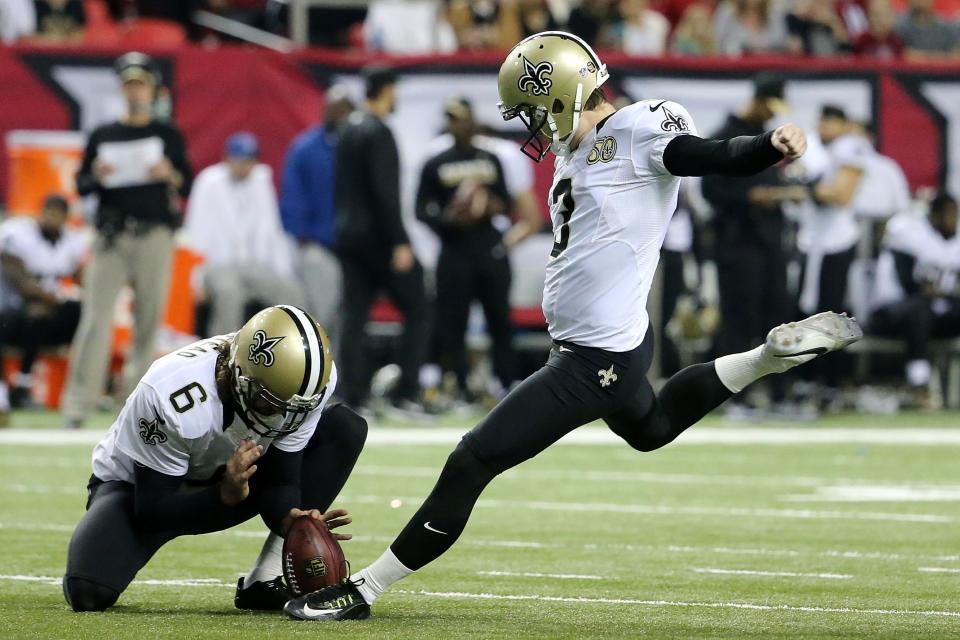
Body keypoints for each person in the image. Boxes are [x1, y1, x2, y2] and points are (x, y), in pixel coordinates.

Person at [284, 31, 862, 621]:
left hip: (594, 359)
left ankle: (364, 591)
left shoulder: (639, 128)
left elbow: (706, 155)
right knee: (652, 427)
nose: (532, 127)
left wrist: (768, 146)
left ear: (564, 94)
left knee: (472, 460)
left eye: (535, 111)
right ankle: (767, 357)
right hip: (612, 343)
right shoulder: (580, 147)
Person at [63, 305, 367, 612]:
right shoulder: (171, 393)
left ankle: (265, 580)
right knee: (89, 592)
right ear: (240, 376)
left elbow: (281, 480)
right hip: (142, 489)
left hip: (231, 479)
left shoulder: (308, 386)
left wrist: (292, 520)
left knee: (345, 429)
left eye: (293, 408)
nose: (282, 416)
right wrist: (225, 494)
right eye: (270, 402)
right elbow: (152, 509)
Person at [62, 52, 192, 430]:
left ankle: (132, 406)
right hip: (112, 233)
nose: (135, 91)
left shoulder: (168, 134)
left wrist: (170, 173)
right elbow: (81, 183)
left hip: (153, 232)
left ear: (153, 89)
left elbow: (188, 179)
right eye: (129, 84)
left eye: (141, 84)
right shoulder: (104, 134)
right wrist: (96, 175)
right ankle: (77, 405)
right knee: (95, 320)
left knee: (148, 321)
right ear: (122, 88)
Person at [701, 74, 804, 409]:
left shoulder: (768, 140)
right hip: (737, 242)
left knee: (777, 315)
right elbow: (710, 190)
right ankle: (733, 396)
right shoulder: (724, 137)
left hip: (769, 241)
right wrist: (750, 197)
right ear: (758, 100)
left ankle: (778, 393)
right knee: (738, 319)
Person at [334, 66, 430, 412]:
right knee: (419, 307)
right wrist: (400, 241)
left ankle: (352, 393)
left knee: (354, 317)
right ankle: (406, 391)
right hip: (378, 240)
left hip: (348, 239)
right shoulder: (380, 132)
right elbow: (384, 194)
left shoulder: (347, 129)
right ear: (386, 90)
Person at [416, 97, 517, 401]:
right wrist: (447, 221)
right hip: (454, 251)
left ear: (471, 121)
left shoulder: (491, 158)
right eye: (450, 119)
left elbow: (507, 203)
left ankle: (506, 383)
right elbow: (420, 209)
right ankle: (460, 386)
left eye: (459, 118)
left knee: (499, 318)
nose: (455, 124)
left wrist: (489, 207)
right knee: (452, 322)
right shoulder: (437, 162)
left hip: (488, 249)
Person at [184, 132, 303, 336]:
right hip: (218, 265)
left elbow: (271, 232)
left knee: (291, 292)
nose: (244, 166)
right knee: (230, 295)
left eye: (249, 160)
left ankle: (289, 354)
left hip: (252, 265)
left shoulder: (260, 182)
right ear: (227, 159)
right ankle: (220, 359)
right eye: (239, 160)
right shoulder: (209, 183)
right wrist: (195, 278)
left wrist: (283, 271)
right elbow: (196, 230)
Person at [280, 86, 354, 350]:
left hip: (354, 248)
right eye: (333, 110)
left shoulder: (359, 147)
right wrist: (303, 237)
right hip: (318, 245)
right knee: (320, 316)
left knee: (349, 318)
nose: (337, 116)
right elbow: (292, 195)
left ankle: (341, 381)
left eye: (343, 111)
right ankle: (315, 380)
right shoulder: (306, 148)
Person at [870, 193, 960, 405]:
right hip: (891, 312)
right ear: (934, 215)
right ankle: (919, 385)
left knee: (927, 310)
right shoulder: (908, 232)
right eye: (949, 214)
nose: (954, 220)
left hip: (936, 314)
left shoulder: (953, 240)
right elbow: (911, 287)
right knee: (919, 309)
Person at [0, 194, 87, 414]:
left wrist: (70, 295)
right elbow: (22, 283)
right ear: (41, 212)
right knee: (35, 314)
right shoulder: (17, 234)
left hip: (47, 314)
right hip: (10, 310)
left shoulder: (72, 240)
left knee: (82, 312)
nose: (53, 219)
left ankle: (87, 386)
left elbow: (82, 278)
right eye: (49, 213)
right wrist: (53, 298)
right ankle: (17, 388)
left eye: (59, 215)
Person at [894, 0, 960, 60]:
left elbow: (955, 55)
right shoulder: (899, 27)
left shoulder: (947, 26)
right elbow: (903, 54)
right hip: (908, 72)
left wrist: (922, 56)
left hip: (942, 72)